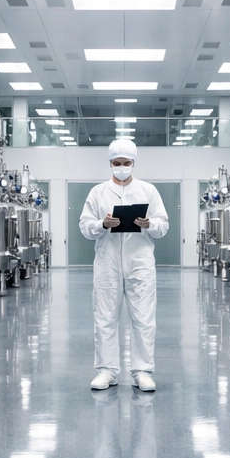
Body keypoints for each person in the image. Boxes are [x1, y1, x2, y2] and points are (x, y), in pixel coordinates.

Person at [79, 139, 168, 390]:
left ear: (133, 163)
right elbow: (85, 226)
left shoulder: (148, 191)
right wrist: (102, 225)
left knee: (143, 319)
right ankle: (107, 371)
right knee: (105, 318)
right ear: (110, 163)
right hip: (107, 264)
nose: (121, 167)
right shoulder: (97, 193)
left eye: (126, 163)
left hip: (140, 263)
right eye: (117, 163)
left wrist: (149, 224)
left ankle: (142, 371)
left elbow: (164, 225)